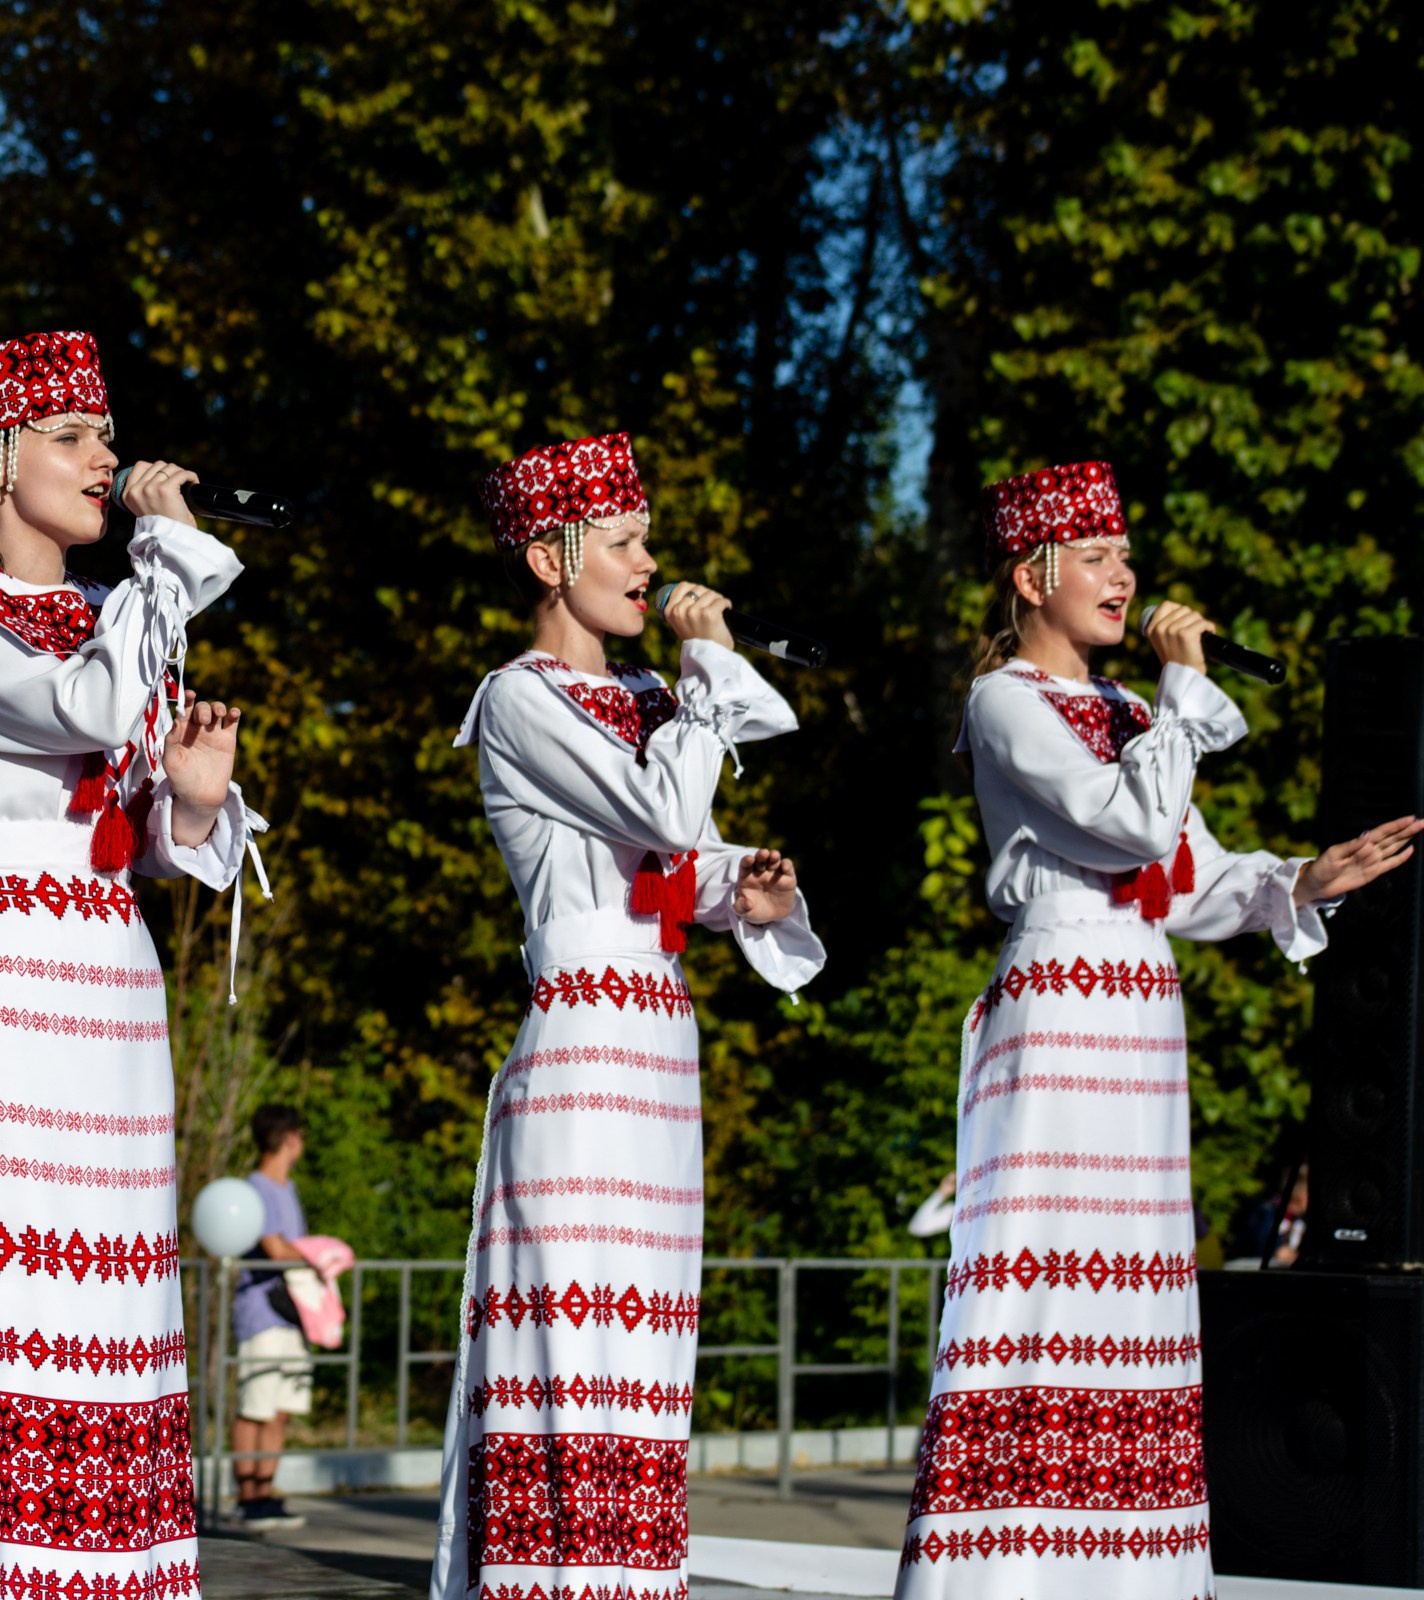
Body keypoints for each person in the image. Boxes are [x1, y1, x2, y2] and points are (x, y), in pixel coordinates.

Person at [892, 461, 1422, 1599]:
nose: (1124, 576)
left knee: (1131, 1293)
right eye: (1095, 556)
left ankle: (1122, 1574)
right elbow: (1123, 824)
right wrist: (1187, 690)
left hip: (1138, 1013)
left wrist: (1303, 877)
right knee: (1039, 1285)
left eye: (1126, 555)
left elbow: (1189, 881)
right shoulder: (1006, 703)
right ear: (1032, 579)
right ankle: (1003, 1572)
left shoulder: (1136, 714)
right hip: (1057, 1005)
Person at [0, 331, 261, 1600]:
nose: (106, 457)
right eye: (72, 436)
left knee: (101, 1320)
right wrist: (164, 551)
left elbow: (160, 826)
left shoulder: (118, 615)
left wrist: (192, 803)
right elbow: (74, 707)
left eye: (108, 435)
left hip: (108, 987)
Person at [429, 432, 826, 1600]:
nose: (651, 562)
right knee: (571, 1344)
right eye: (625, 541)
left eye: (645, 538)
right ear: (553, 559)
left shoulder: (651, 698)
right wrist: (708, 677)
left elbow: (677, 857)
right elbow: (661, 806)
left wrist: (740, 889)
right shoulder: (518, 699)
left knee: (644, 1358)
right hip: (581, 1040)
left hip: (659, 1039)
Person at [232, 1103, 313, 1529]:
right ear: (288, 1138)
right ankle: (247, 1497)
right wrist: (321, 1253)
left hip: (292, 1313)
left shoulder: (288, 1188)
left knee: (281, 1408)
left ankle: (266, 1491)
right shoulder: (255, 1188)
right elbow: (275, 1248)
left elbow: (291, 1248)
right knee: (256, 1405)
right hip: (262, 1311)